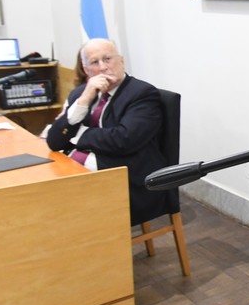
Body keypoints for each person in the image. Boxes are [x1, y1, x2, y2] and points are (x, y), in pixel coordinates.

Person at [46, 39, 171, 226]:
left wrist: (78, 134)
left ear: (121, 61)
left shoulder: (142, 94)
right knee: (47, 192)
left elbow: (123, 140)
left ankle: (95, 246)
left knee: (64, 204)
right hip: (87, 166)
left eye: (108, 59)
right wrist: (84, 100)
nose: (103, 67)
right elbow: (55, 141)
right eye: (95, 63)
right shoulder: (81, 93)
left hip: (128, 176)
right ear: (86, 70)